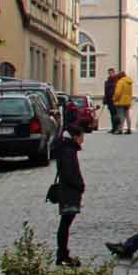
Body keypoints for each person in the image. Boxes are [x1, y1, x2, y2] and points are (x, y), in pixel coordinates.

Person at [49, 110, 87, 265]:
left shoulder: (66, 148)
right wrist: (80, 186)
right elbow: (70, 172)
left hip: (68, 190)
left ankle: (63, 253)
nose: (83, 140)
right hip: (69, 191)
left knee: (65, 223)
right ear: (75, 137)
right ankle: (62, 255)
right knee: (65, 224)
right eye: (81, 137)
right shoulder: (68, 151)